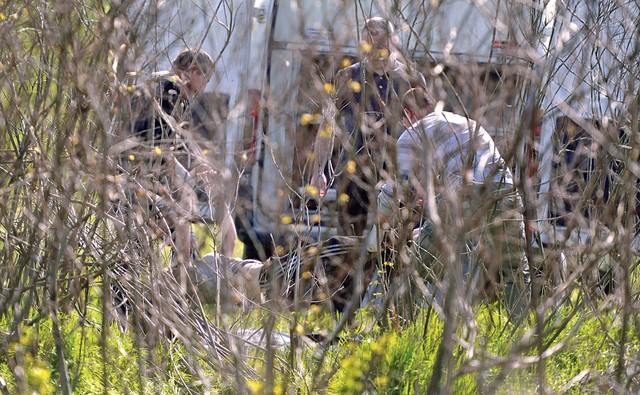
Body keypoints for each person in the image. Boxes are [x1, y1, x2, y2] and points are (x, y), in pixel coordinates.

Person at [371, 86, 530, 319]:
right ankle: (525, 334)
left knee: (418, 270)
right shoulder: (461, 122)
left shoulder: (413, 133)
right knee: (514, 271)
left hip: (465, 196)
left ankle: (396, 331)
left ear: (408, 114)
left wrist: (375, 231)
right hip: (504, 190)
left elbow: (395, 191)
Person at [310, 16, 426, 238]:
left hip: (398, 179)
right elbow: (327, 126)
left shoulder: (411, 79)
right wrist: (319, 170)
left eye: (378, 44)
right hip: (354, 179)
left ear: (393, 42)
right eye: (366, 44)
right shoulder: (348, 77)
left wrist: (423, 180)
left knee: (394, 246)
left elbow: (425, 130)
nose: (372, 51)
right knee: (349, 246)